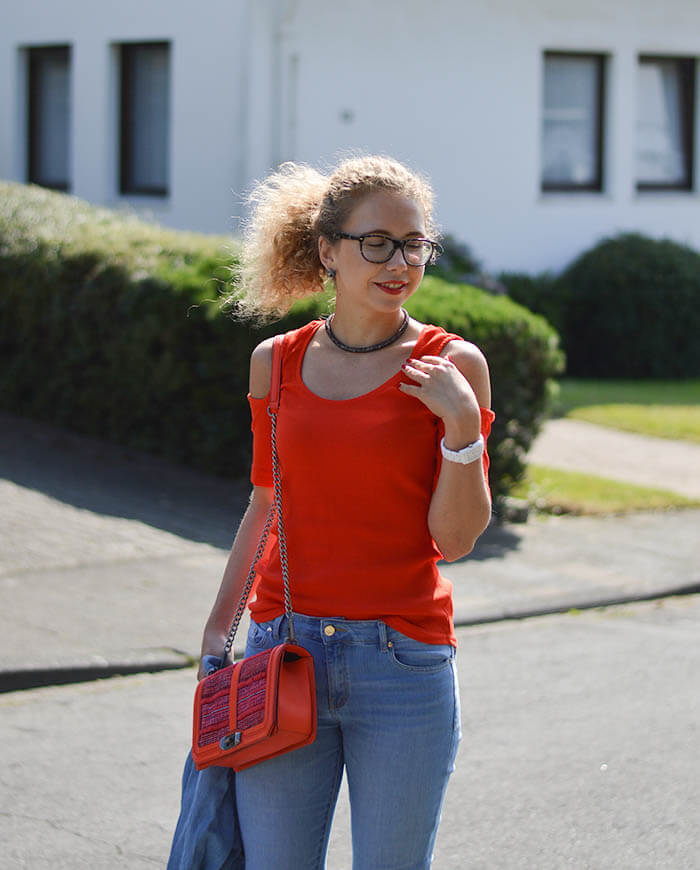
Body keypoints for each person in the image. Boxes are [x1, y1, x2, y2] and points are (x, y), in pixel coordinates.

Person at [199, 155, 494, 869]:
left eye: (414, 243)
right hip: (281, 650)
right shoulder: (276, 361)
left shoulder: (452, 365)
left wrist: (462, 428)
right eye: (377, 242)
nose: (399, 261)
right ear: (328, 250)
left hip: (403, 664)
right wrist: (216, 637)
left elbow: (454, 541)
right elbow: (265, 504)